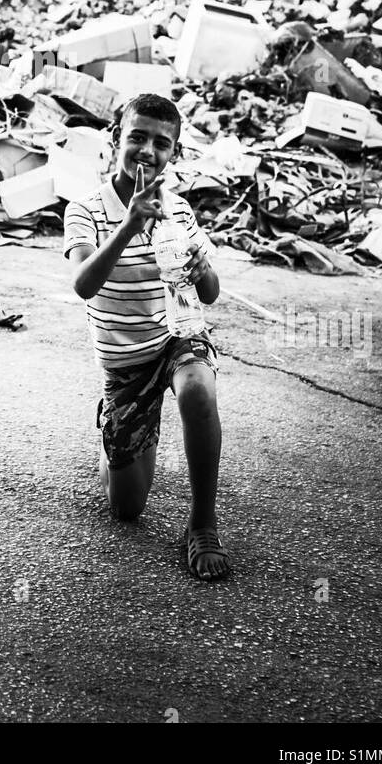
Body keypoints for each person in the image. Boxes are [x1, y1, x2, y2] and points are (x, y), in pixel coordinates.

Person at [63, 93, 229, 580]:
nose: (146, 150)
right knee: (127, 510)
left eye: (161, 142)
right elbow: (83, 284)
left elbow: (212, 293)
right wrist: (130, 222)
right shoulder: (86, 209)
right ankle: (121, 431)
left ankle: (202, 524)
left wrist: (204, 269)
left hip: (178, 338)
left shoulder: (179, 211)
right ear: (115, 140)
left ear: (173, 154)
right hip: (125, 361)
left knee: (199, 388)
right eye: (136, 136)